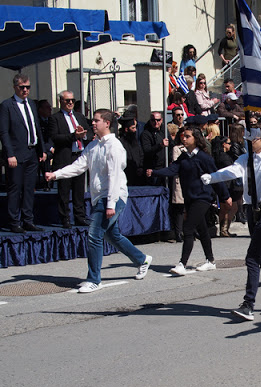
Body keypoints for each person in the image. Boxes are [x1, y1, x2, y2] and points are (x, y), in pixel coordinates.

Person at [45, 109, 152, 292]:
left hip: (113, 196)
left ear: (107, 123)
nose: (92, 123)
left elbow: (114, 176)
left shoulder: (115, 146)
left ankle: (94, 279)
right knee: (113, 235)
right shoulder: (93, 146)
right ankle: (142, 259)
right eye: (93, 121)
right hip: (100, 198)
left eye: (96, 121)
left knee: (94, 235)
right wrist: (55, 174)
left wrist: (110, 204)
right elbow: (78, 166)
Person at [201, 126, 261, 320]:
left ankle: (248, 304)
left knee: (252, 257)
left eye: (256, 139)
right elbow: (231, 171)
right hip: (252, 211)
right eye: (250, 139)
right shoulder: (245, 159)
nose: (252, 141)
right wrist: (212, 177)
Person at [148, 126, 230, 275]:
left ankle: (182, 264)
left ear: (196, 139)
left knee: (188, 228)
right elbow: (172, 170)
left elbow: (216, 177)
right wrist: (154, 172)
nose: (183, 138)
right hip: (190, 197)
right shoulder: (184, 157)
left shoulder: (204, 158)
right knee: (202, 229)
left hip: (203, 198)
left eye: (187, 136)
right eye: (182, 136)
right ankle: (210, 261)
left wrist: (225, 196)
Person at [0, 73, 47, 233]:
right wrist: (9, 154)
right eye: (22, 87)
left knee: (29, 188)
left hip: (32, 153)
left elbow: (36, 128)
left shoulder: (31, 105)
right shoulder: (7, 105)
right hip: (16, 154)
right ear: (15, 87)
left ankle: (28, 220)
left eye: (28, 87)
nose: (25, 90)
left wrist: (42, 150)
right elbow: (4, 132)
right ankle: (14, 222)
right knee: (15, 188)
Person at [47, 90, 91, 228]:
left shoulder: (80, 116)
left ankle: (80, 216)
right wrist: (74, 136)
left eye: (72, 100)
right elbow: (54, 137)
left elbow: (88, 133)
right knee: (64, 190)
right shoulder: (55, 118)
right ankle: (65, 218)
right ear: (61, 101)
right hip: (64, 157)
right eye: (67, 100)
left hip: (79, 156)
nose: (70, 103)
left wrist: (83, 136)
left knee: (79, 190)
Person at [212, 136, 242, 237]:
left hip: (223, 184)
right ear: (223, 144)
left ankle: (224, 229)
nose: (230, 145)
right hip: (227, 184)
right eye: (229, 143)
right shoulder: (224, 157)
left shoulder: (218, 155)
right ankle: (224, 229)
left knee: (227, 207)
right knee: (230, 207)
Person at [141, 111, 169, 185]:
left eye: (158, 120)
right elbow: (147, 150)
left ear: (162, 120)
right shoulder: (146, 134)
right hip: (153, 167)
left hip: (164, 166)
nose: (156, 122)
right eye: (153, 120)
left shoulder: (164, 131)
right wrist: (160, 145)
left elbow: (171, 144)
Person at [118, 113, 145, 187]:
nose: (135, 130)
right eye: (133, 128)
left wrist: (140, 167)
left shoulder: (135, 141)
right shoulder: (120, 143)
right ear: (126, 129)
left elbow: (141, 155)